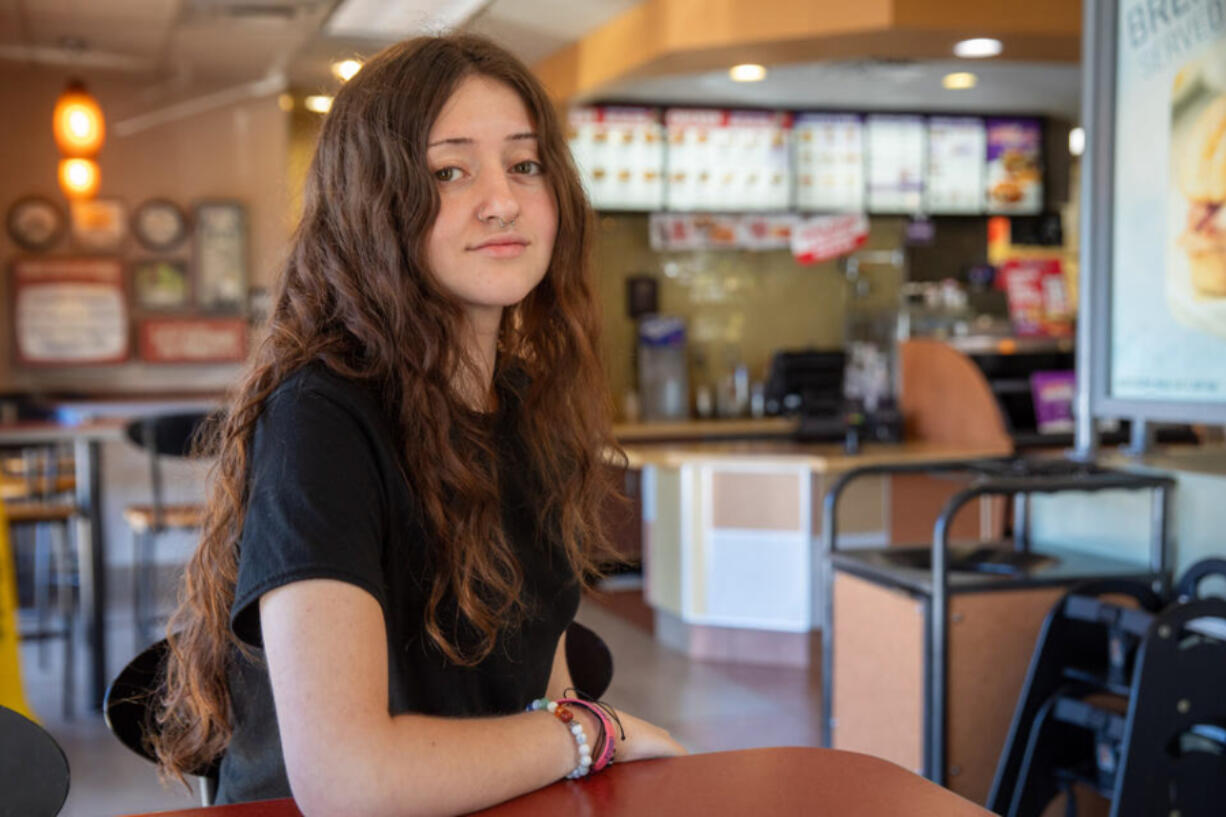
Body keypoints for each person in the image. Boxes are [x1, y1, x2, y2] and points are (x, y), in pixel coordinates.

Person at [151, 33, 686, 814]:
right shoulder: (321, 415)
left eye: (525, 164)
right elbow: (348, 782)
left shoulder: (530, 406)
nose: (502, 198)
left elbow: (541, 683)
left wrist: (577, 732)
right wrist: (594, 735)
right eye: (449, 170)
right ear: (374, 205)